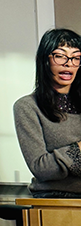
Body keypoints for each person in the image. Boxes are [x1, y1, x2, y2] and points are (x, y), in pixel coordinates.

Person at [13, 28, 81, 198]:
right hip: (55, 198)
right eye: (60, 56)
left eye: (76, 57)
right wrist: (79, 149)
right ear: (45, 60)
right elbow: (41, 168)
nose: (69, 63)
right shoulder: (27, 106)